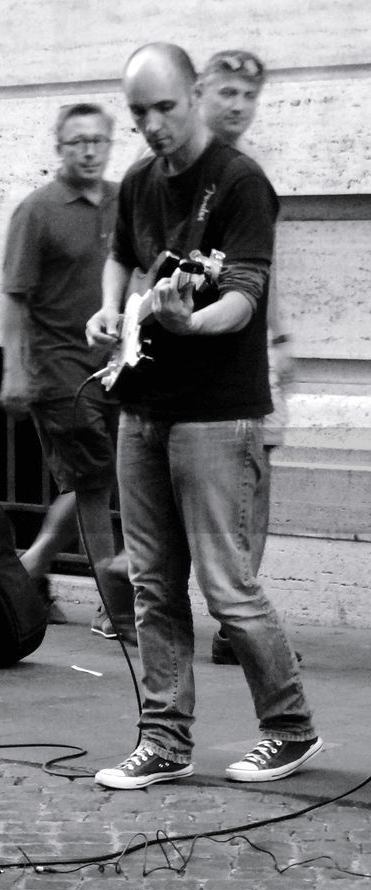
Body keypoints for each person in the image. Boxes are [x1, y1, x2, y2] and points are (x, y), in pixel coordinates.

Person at [87, 43, 320, 789]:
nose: (152, 126)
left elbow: (244, 298)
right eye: (139, 115)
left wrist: (194, 322)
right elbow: (122, 258)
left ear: (192, 96)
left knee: (227, 587)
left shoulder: (242, 183)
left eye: (164, 108)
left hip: (219, 415)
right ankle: (164, 739)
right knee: (154, 585)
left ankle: (290, 727)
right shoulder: (136, 181)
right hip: (143, 404)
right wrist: (109, 308)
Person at [0, 103, 134, 642]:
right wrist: (13, 370)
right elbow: (14, 297)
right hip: (60, 372)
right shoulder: (37, 210)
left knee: (99, 482)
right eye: (77, 141)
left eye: (98, 140)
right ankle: (119, 613)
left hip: (123, 367)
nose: (88, 150)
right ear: (59, 147)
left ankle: (26, 569)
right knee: (95, 484)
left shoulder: (127, 201)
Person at [197, 49, 291, 666]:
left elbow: (265, 272)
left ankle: (236, 623)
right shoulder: (189, 172)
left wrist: (280, 344)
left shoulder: (249, 174)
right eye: (226, 92)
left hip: (255, 357)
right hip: (206, 360)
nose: (237, 105)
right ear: (202, 91)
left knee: (252, 493)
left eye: (248, 96)